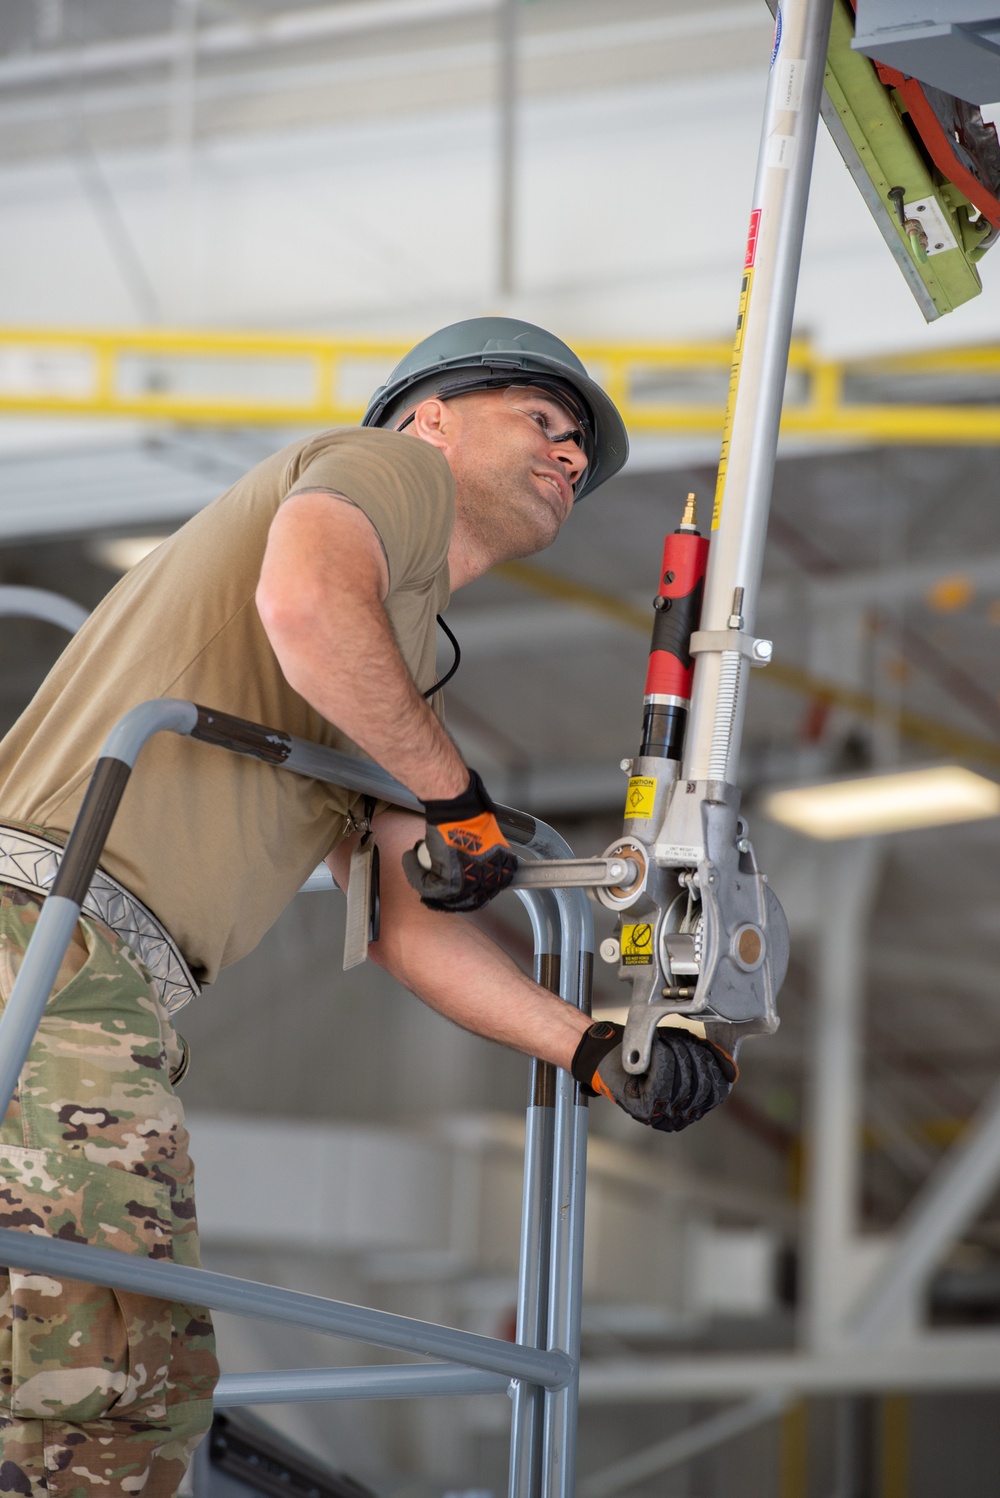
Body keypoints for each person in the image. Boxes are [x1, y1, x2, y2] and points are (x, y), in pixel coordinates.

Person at [0, 318, 736, 1497]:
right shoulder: (379, 470)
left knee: (142, 1380)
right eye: (541, 421)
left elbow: (404, 917)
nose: (567, 457)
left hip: (97, 971)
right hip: (39, 936)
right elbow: (303, 604)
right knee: (96, 1369)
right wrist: (457, 795)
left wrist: (596, 1046)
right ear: (429, 416)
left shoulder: (394, 664)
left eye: (579, 456)